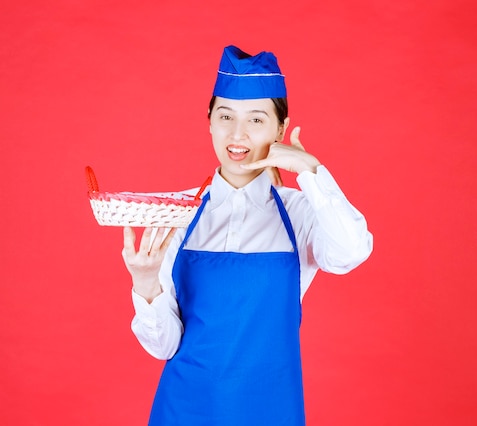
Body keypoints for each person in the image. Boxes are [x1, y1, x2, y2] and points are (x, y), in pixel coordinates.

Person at [121, 45, 373, 425]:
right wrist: (144, 285)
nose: (237, 134)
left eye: (256, 120)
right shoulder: (176, 211)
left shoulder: (301, 211)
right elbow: (165, 346)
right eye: (225, 116)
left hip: (271, 409)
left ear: (281, 129)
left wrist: (311, 171)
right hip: (184, 409)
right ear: (208, 120)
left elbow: (350, 253)